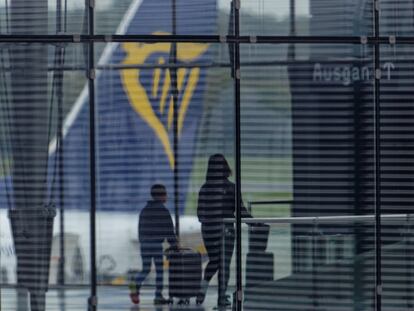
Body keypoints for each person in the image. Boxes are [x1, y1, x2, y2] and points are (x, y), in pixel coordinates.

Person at [196, 154, 251, 308]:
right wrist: (255, 222)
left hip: (208, 230)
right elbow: (241, 211)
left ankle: (202, 289)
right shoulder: (231, 188)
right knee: (224, 264)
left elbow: (200, 214)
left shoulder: (204, 189)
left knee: (214, 261)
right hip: (225, 230)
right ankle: (221, 297)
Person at [129, 184, 177, 305]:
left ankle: (135, 284)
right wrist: (174, 245)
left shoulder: (144, 210)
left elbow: (140, 228)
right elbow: (169, 231)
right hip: (156, 244)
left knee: (145, 269)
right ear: (161, 196)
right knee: (159, 271)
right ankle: (158, 296)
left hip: (144, 244)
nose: (167, 196)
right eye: (165, 194)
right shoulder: (163, 211)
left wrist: (143, 241)